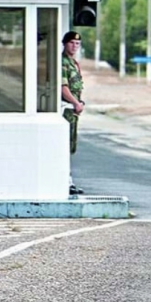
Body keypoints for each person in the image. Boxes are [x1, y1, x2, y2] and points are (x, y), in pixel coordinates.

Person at [61, 31, 85, 196]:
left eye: (77, 44)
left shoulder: (74, 63)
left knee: (70, 146)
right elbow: (63, 87)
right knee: (64, 146)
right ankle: (66, 181)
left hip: (73, 110)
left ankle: (68, 180)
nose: (74, 46)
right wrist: (75, 103)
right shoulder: (63, 63)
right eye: (71, 43)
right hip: (66, 109)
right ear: (65, 44)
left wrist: (79, 103)